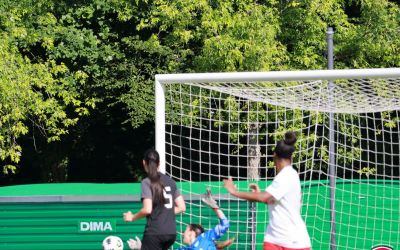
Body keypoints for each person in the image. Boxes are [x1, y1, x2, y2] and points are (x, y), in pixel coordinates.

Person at [223, 131, 312, 250]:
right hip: (274, 239)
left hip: (293, 241)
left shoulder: (287, 175)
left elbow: (264, 197)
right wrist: (259, 194)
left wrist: (234, 192)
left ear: (274, 155)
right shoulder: (287, 175)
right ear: (291, 157)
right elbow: (272, 200)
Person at [126, 189, 234, 250]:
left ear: (192, 232)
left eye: (185, 231)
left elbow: (225, 225)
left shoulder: (206, 237)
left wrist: (214, 206)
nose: (182, 233)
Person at [123, 148, 186, 250]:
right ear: (159, 163)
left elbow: (147, 209)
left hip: (155, 233)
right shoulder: (171, 181)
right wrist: (164, 212)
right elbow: (182, 207)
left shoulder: (146, 182)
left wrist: (132, 217)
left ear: (144, 163)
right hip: (171, 233)